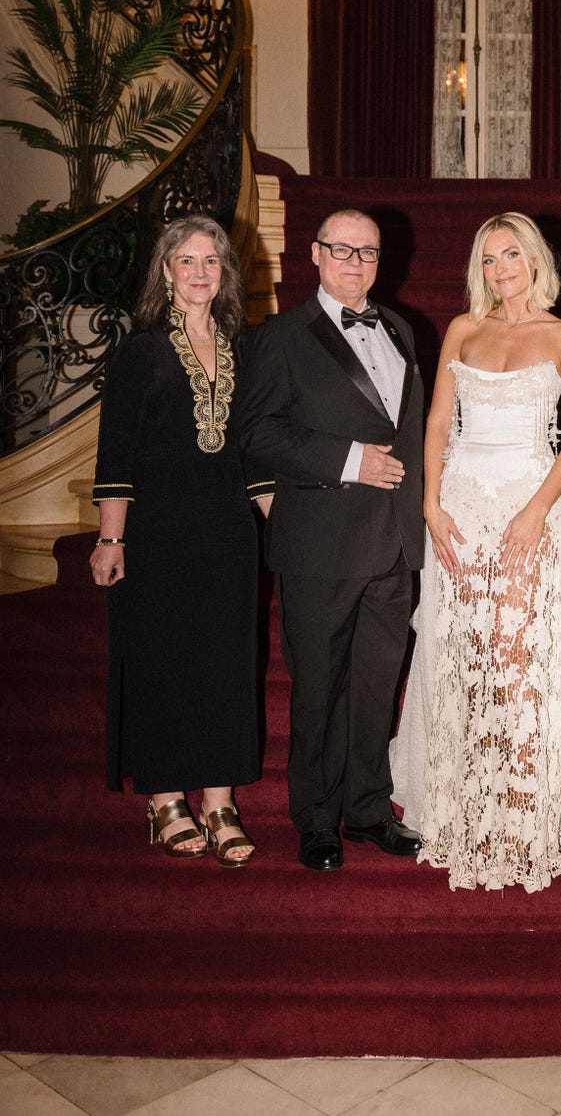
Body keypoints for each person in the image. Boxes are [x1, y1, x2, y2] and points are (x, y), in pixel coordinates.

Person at [390, 214, 561, 891]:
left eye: (512, 254)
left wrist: (536, 511)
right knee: (460, 653)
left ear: (536, 260)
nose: (501, 267)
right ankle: (461, 806)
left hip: (526, 506)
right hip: (458, 510)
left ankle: (516, 816)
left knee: (516, 658)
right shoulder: (462, 330)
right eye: (487, 258)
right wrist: (430, 504)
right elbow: (436, 423)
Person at [239, 209, 424, 871]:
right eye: (341, 250)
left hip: (394, 546)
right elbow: (255, 434)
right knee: (318, 691)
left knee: (378, 686)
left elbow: (412, 436)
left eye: (367, 252)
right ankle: (317, 822)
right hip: (319, 542)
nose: (355, 262)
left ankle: (371, 810)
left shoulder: (401, 329)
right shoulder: (281, 336)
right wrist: (350, 460)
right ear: (314, 254)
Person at [91, 215, 268, 866]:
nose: (200, 272)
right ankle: (165, 799)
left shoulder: (242, 349)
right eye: (186, 260)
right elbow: (118, 455)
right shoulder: (139, 353)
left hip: (227, 532)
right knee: (163, 663)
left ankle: (220, 802)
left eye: (211, 262)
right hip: (157, 531)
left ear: (224, 274)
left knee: (225, 665)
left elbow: (254, 451)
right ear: (165, 272)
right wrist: (113, 538)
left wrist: (281, 524)